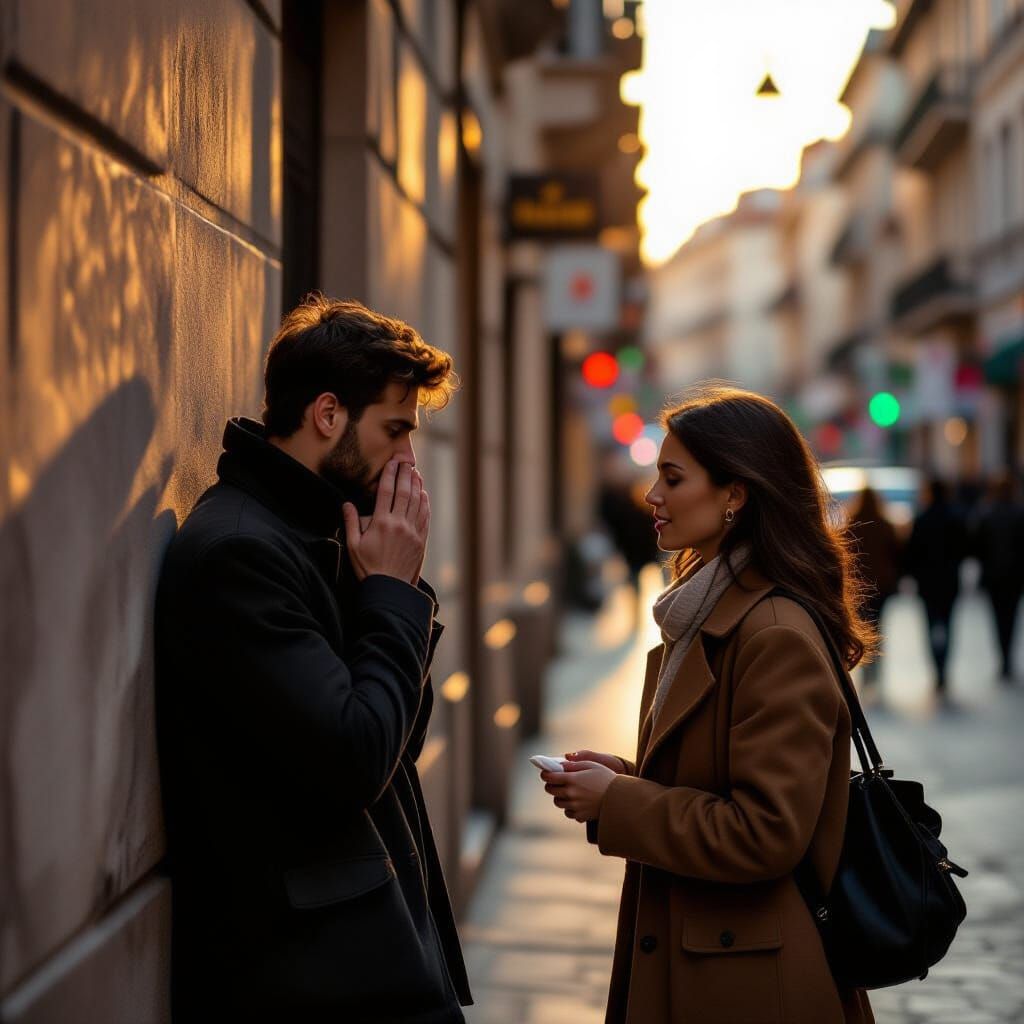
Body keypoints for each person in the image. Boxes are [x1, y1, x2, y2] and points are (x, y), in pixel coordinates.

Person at [155, 296, 471, 1022]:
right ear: (328, 414)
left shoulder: (323, 534)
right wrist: (390, 592)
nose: (409, 460)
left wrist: (391, 589)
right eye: (396, 430)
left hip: (358, 956)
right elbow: (355, 757)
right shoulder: (242, 553)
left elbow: (398, 743)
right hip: (313, 978)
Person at [540, 385, 875, 1024]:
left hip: (750, 983)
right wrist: (625, 779)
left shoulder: (772, 632)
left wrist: (620, 803)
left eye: (673, 477)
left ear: (734, 493)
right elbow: (715, 783)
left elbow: (767, 833)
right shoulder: (705, 613)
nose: (652, 496)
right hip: (708, 960)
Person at [904, 478, 968, 697]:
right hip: (949, 581)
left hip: (928, 582)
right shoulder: (955, 518)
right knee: (948, 624)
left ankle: (936, 668)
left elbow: (911, 552)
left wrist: (909, 575)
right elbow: (965, 548)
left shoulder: (922, 519)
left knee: (930, 624)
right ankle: (943, 669)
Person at [846, 486, 902, 688]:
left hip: (859, 585)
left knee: (863, 626)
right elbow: (896, 555)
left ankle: (867, 670)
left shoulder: (852, 524)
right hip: (882, 584)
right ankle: (876, 669)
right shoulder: (885, 524)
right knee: (878, 625)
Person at [972, 473, 1024, 682]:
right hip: (1014, 576)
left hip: (993, 576)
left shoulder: (987, 513)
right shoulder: (1019, 513)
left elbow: (977, 546)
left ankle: (1003, 658)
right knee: (1011, 616)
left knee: (997, 617)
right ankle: (1007, 658)